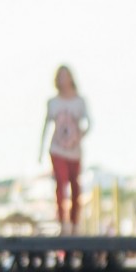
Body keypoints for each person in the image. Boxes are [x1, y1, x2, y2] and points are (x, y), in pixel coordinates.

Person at [40, 65, 90, 234]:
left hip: (74, 151)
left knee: (75, 185)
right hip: (57, 150)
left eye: (65, 76)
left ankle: (75, 223)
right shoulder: (53, 102)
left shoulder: (80, 102)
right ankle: (63, 223)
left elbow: (89, 123)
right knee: (61, 183)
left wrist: (81, 135)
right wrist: (40, 151)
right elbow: (45, 126)